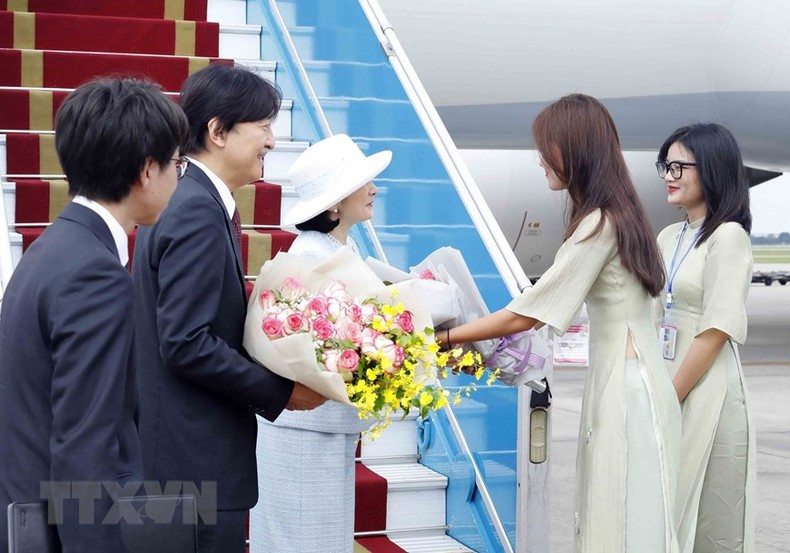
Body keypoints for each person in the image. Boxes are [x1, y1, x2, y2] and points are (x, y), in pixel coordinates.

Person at [438, 94, 681, 553]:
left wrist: (446, 336)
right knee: (632, 509)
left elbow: (527, 312)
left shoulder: (598, 224)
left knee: (618, 510)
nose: (539, 161)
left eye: (546, 147)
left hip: (625, 387)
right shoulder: (621, 216)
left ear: (575, 149)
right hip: (634, 379)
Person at [131, 64, 326, 553]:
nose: (272, 141)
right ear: (217, 131)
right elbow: (185, 342)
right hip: (193, 464)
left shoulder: (190, 198)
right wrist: (282, 393)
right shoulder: (195, 207)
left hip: (180, 457)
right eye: (262, 126)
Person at [0, 78, 187, 553]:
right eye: (176, 164)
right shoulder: (95, 273)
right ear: (147, 170)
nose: (176, 177)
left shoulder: (53, 247)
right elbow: (84, 446)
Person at [251, 133, 391, 553]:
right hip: (303, 435)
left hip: (315, 432)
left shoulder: (327, 250)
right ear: (334, 203)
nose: (374, 189)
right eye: (362, 182)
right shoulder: (313, 258)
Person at [655, 123, 755, 553]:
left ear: (712, 168)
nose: (669, 175)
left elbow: (716, 330)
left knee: (711, 507)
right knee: (664, 501)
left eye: (680, 166)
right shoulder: (667, 236)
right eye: (666, 165)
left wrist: (668, 396)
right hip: (667, 373)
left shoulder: (728, 237)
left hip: (706, 380)